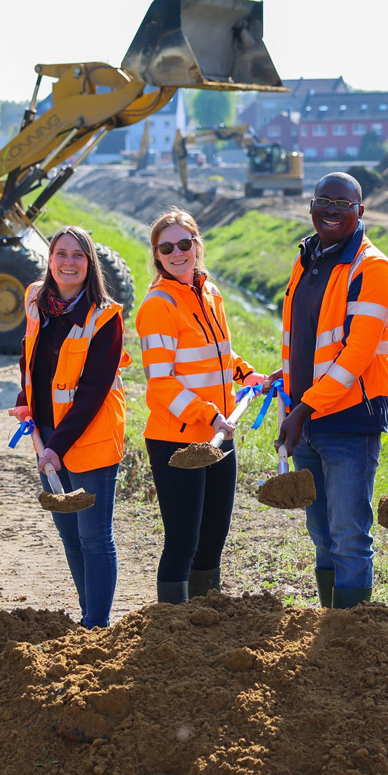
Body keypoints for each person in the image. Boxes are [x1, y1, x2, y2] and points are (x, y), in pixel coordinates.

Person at [275, 173, 388, 609]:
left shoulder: (373, 268)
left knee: (348, 534)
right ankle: (331, 626)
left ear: (360, 211)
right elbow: (308, 335)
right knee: (321, 532)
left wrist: (302, 409)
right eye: (323, 200)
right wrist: (289, 383)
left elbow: (356, 355)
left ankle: (350, 633)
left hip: (349, 420)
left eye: (343, 204)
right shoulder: (308, 256)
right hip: (307, 415)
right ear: (311, 205)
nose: (331, 210)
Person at [136, 207, 270, 603]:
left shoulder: (210, 293)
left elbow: (219, 354)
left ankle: (205, 621)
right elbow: (161, 383)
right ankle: (172, 627)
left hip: (219, 436)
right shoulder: (158, 306)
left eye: (184, 243)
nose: (177, 253)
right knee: (183, 542)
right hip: (178, 440)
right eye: (166, 248)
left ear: (197, 245)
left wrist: (246, 374)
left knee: (213, 540)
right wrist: (208, 414)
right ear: (157, 255)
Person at [12, 226, 130, 628]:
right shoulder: (36, 299)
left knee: (94, 537)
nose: (68, 262)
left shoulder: (105, 316)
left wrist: (56, 446)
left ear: (90, 264)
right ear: (49, 260)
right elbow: (29, 356)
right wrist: (24, 399)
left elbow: (94, 390)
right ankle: (87, 615)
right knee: (68, 532)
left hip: (90, 438)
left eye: (78, 255)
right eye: (61, 253)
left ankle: (97, 624)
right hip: (47, 436)